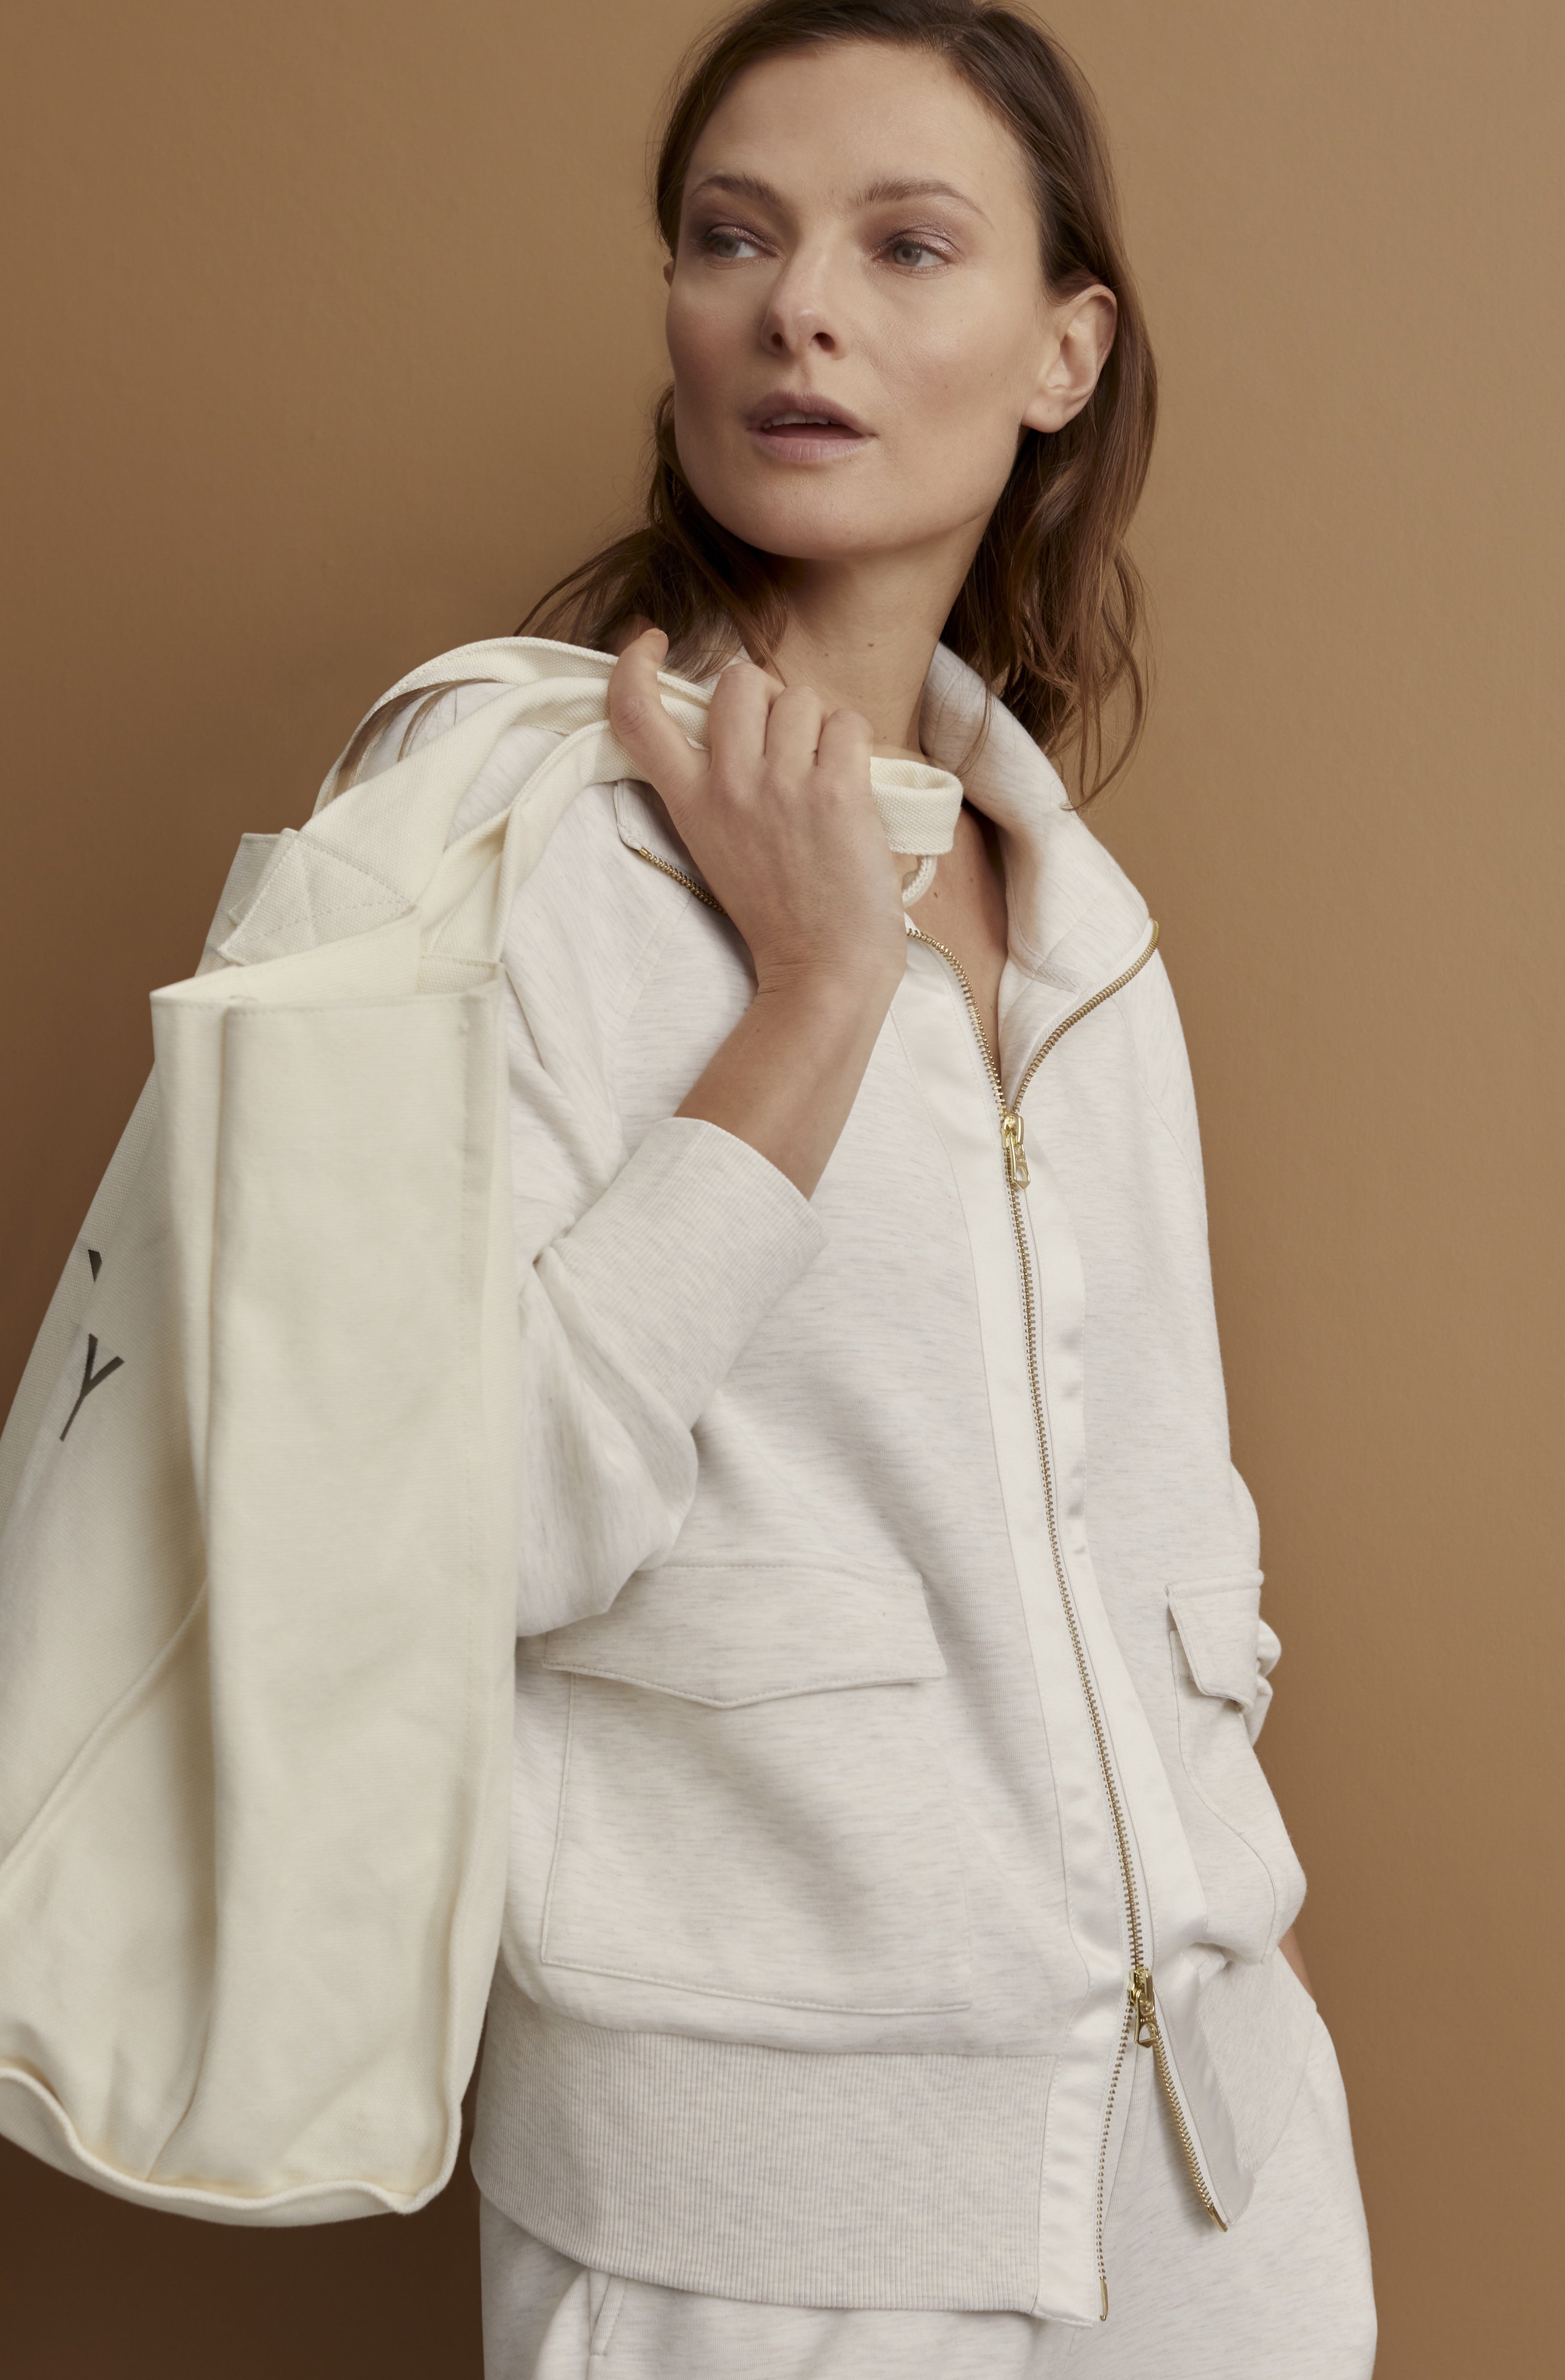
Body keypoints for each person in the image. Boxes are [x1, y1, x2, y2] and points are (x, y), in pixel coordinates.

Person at [336, 4, 1375, 2371]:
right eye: (733, 238)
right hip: (753, 2243)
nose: (797, 306)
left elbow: (1159, 1564)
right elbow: (436, 1537)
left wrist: (1233, 1983)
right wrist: (810, 996)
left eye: (904, 246)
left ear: (1060, 350)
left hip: (1215, 2203)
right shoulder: (504, 845)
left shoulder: (1081, 929)